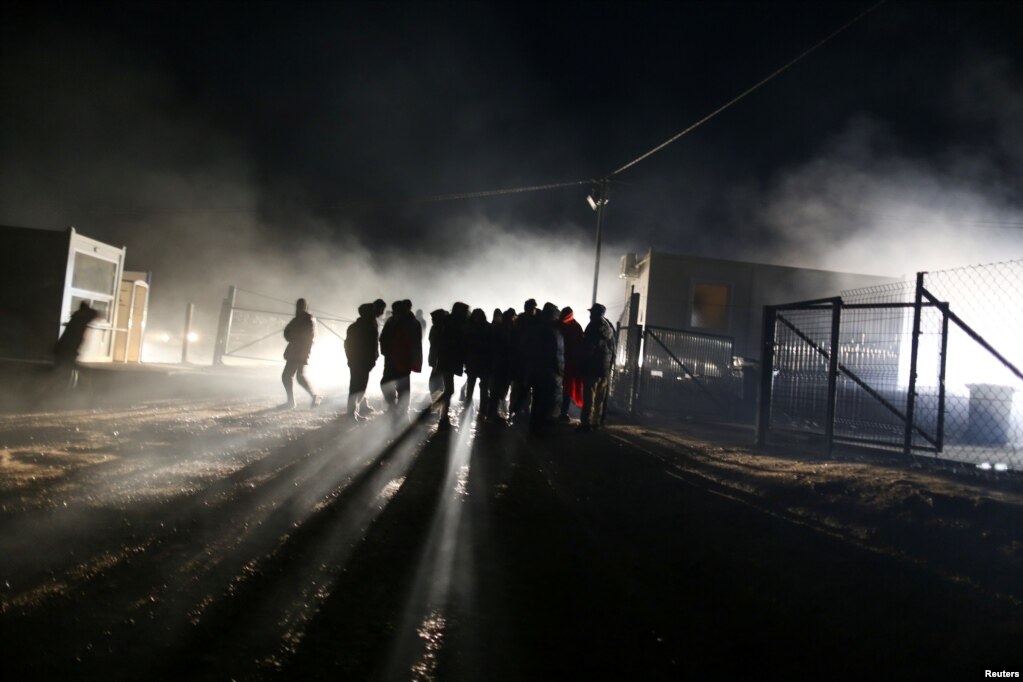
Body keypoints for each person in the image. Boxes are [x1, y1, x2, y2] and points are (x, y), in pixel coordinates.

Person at [378, 299, 423, 421]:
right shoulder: (392, 321)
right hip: (391, 358)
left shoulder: (412, 323)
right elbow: (383, 337)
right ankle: (393, 407)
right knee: (386, 383)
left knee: (402, 387)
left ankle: (402, 412)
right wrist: (385, 351)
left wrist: (413, 359)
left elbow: (415, 343)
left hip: (404, 360)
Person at [578, 303, 617, 431]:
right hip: (604, 368)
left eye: (591, 312)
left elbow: (588, 348)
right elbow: (613, 349)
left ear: (595, 313)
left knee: (589, 397)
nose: (590, 315)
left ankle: (585, 424)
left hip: (592, 367)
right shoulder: (609, 328)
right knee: (600, 398)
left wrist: (583, 362)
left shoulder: (593, 326)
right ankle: (596, 422)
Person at [281, 298, 321, 409]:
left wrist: (296, 340)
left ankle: (292, 401)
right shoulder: (304, 319)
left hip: (299, 351)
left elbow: (308, 337)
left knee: (288, 376)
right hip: (299, 350)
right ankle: (313, 396)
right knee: (297, 376)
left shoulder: (306, 319)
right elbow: (288, 332)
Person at [53, 301, 101, 390]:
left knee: (64, 369)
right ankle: (66, 388)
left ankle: (63, 387)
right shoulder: (82, 318)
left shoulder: (77, 317)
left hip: (63, 349)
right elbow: (93, 313)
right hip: (68, 350)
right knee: (67, 369)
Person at [436, 302, 469, 430]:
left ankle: (442, 414)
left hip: (446, 359)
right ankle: (439, 412)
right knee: (449, 390)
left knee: (448, 389)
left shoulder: (448, 321)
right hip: (450, 360)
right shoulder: (457, 324)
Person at [344, 303, 379, 419]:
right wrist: (373, 359)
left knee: (355, 385)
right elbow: (373, 346)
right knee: (359, 387)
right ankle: (352, 413)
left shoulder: (353, 327)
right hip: (363, 362)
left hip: (355, 362)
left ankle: (353, 411)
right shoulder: (370, 328)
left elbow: (347, 345)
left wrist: (349, 359)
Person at [487, 307, 516, 420]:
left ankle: (492, 413)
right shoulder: (506, 330)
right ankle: (492, 414)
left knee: (498, 390)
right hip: (502, 364)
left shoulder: (499, 328)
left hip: (499, 364)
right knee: (498, 390)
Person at [463, 308, 493, 415]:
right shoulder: (488, 327)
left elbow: (465, 346)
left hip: (473, 361)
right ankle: (482, 409)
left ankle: (469, 408)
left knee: (472, 385)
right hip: (483, 362)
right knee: (482, 387)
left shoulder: (469, 328)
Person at [559, 306, 585, 420]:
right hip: (564, 362)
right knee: (563, 389)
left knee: (566, 390)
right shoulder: (574, 327)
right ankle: (560, 412)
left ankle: (562, 412)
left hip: (568, 363)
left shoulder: (572, 327)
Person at [427, 308, 449, 400]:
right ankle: (437, 406)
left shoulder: (443, 329)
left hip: (440, 361)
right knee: (436, 384)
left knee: (436, 384)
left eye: (434, 319)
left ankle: (437, 407)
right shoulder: (436, 328)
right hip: (436, 360)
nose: (432, 320)